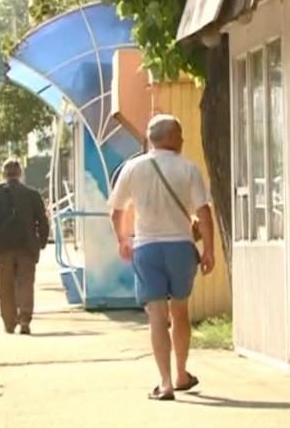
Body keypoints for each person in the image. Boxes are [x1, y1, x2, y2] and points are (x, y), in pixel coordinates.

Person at [108, 114, 215, 401]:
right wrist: (209, 250)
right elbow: (204, 212)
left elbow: (117, 210)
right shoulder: (188, 168)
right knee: (179, 312)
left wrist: (122, 240)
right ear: (170, 138)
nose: (182, 140)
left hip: (147, 249)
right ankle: (181, 374)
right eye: (179, 135)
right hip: (181, 248)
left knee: (156, 315)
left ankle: (165, 383)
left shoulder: (132, 168)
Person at [0, 160, 49, 335]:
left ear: (4, 174)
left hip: (4, 247)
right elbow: (43, 221)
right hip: (27, 246)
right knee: (25, 283)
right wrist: (41, 242)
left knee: (5, 286)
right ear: (20, 173)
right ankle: (25, 319)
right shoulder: (32, 194)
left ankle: (9, 322)